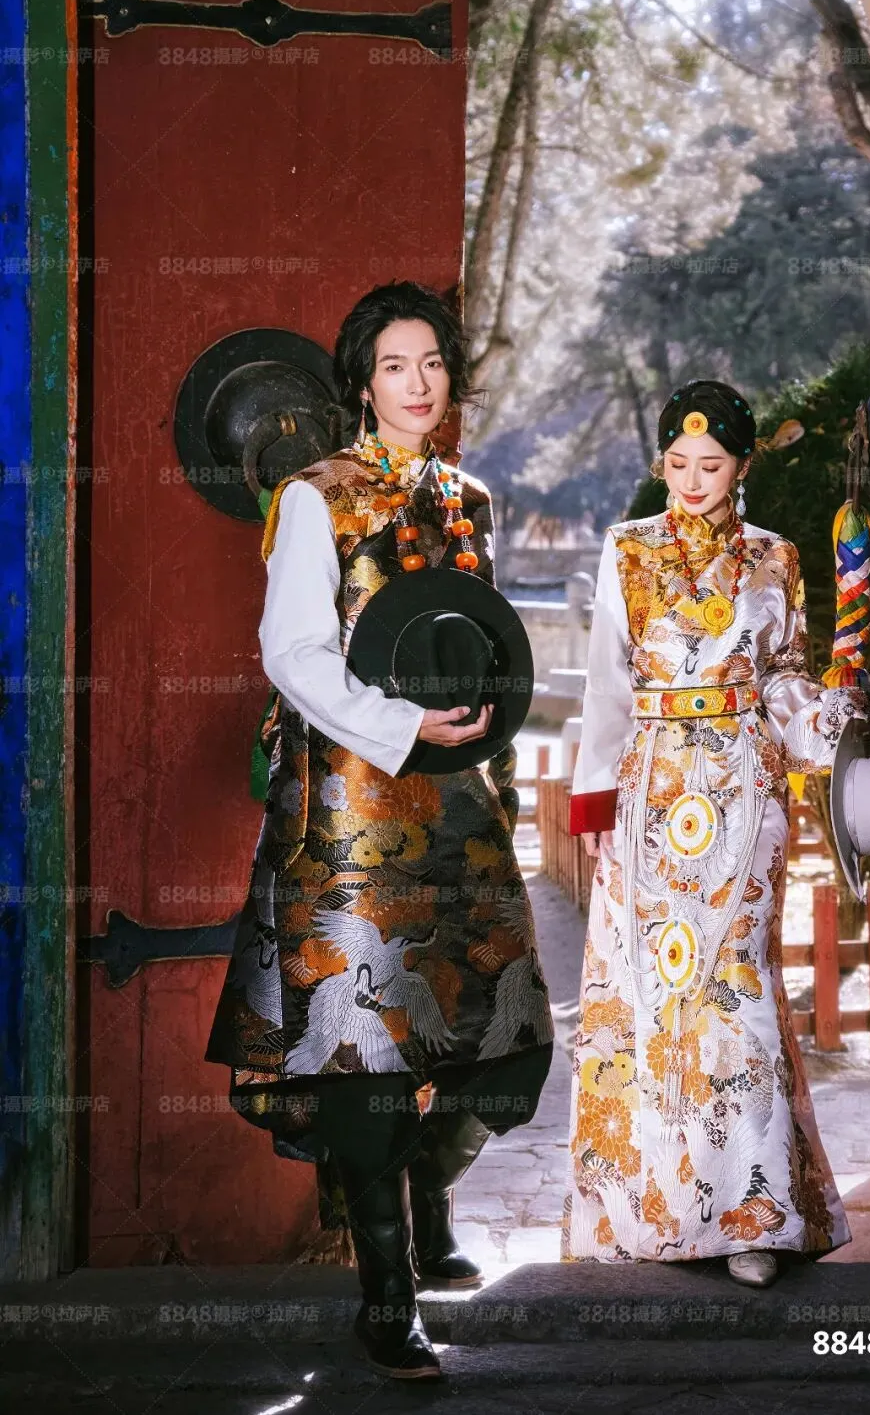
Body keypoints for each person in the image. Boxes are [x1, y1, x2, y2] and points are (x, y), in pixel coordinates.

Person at [206, 281, 554, 1380]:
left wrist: (490, 736)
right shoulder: (317, 498)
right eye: (396, 365)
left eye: (433, 363)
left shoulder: (470, 499)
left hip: (459, 800)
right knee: (365, 1044)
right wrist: (402, 726)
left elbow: (484, 641)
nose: (418, 384)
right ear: (363, 382)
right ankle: (387, 1294)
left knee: (497, 1035)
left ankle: (429, 1201)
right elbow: (294, 654)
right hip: (353, 807)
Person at [561, 379, 870, 1286]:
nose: (692, 480)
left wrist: (830, 717)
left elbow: (782, 675)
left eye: (711, 464)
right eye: (677, 463)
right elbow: (606, 685)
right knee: (649, 992)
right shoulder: (627, 548)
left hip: (744, 788)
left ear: (742, 466)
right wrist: (592, 802)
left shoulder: (776, 556)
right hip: (650, 788)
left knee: (735, 986)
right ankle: (651, 1212)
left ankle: (753, 1219)